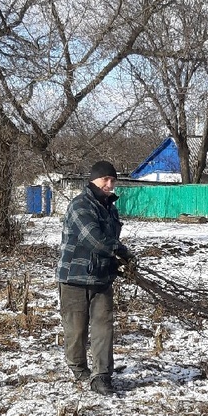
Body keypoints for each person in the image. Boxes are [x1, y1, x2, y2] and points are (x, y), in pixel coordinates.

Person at [56, 160, 133, 396]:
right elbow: (95, 239)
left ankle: (102, 376)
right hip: (74, 278)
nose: (109, 184)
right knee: (76, 330)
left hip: (101, 278)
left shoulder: (110, 207)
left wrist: (118, 263)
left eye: (112, 180)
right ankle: (79, 368)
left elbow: (106, 243)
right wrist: (120, 251)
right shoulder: (80, 205)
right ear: (93, 180)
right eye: (105, 180)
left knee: (103, 327)